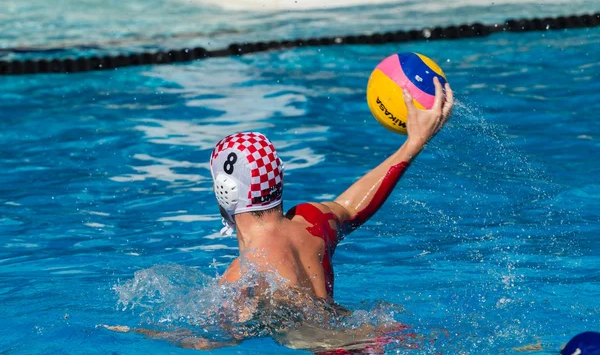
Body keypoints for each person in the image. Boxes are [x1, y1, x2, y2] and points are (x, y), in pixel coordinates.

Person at [103, 77, 453, 350]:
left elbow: (213, 341)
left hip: (341, 349)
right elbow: (353, 206)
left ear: (224, 192)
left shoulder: (245, 273)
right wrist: (413, 143)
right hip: (378, 335)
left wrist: (140, 333)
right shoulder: (311, 221)